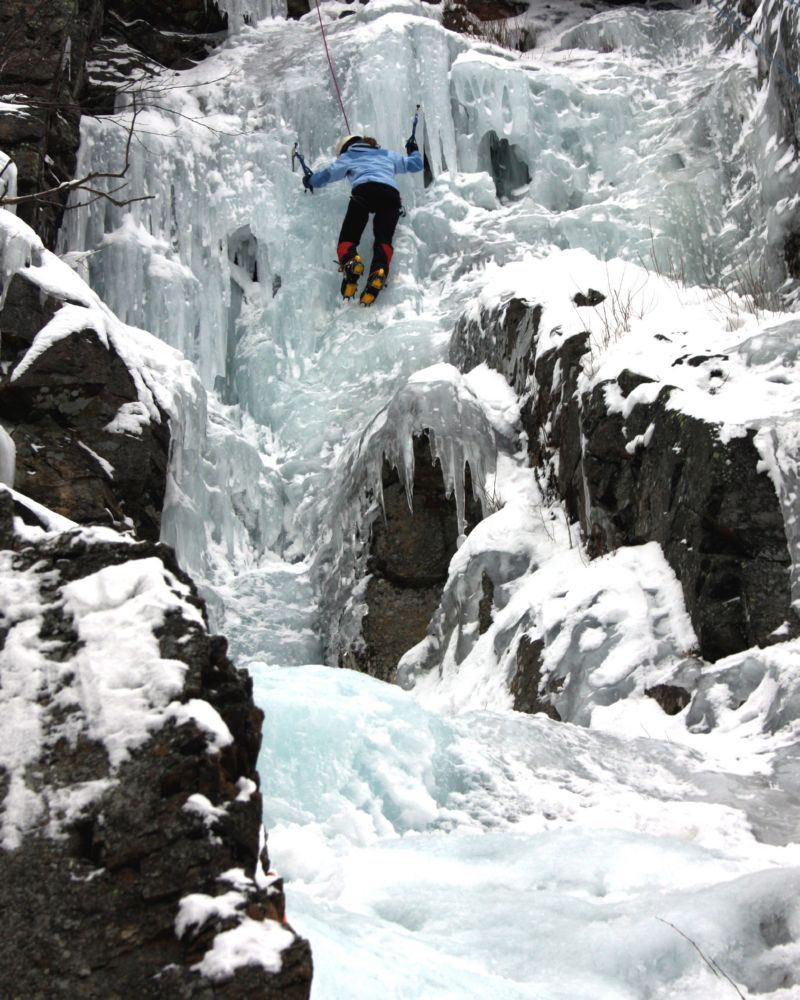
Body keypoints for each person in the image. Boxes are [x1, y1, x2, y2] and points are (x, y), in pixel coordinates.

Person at [302, 134, 423, 305]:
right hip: (391, 196)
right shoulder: (387, 154)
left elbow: (328, 174)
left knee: (348, 238)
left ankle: (351, 261)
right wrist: (413, 150)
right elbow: (415, 164)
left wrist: (310, 180)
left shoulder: (349, 156)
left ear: (345, 148)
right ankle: (378, 271)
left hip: (365, 192)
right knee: (383, 240)